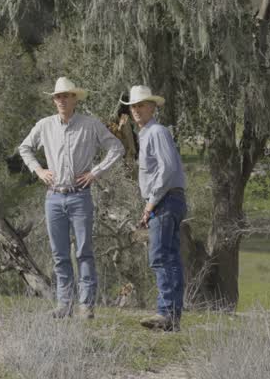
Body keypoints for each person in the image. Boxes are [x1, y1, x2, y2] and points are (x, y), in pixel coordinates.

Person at [18, 77, 125, 319]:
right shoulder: (44, 125)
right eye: (58, 96)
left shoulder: (90, 125)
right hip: (54, 197)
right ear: (54, 100)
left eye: (66, 96)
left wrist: (95, 172)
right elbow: (24, 148)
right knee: (59, 254)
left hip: (80, 197)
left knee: (84, 252)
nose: (62, 100)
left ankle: (86, 305)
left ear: (75, 98)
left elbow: (117, 148)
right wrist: (39, 170)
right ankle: (64, 304)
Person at [125, 84, 187, 332]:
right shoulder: (147, 134)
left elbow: (168, 168)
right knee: (168, 256)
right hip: (166, 199)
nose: (137, 110)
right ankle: (171, 315)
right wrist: (149, 205)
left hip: (165, 200)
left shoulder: (157, 132)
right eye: (133, 106)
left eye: (141, 105)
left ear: (153, 107)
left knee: (161, 257)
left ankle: (167, 313)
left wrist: (150, 203)